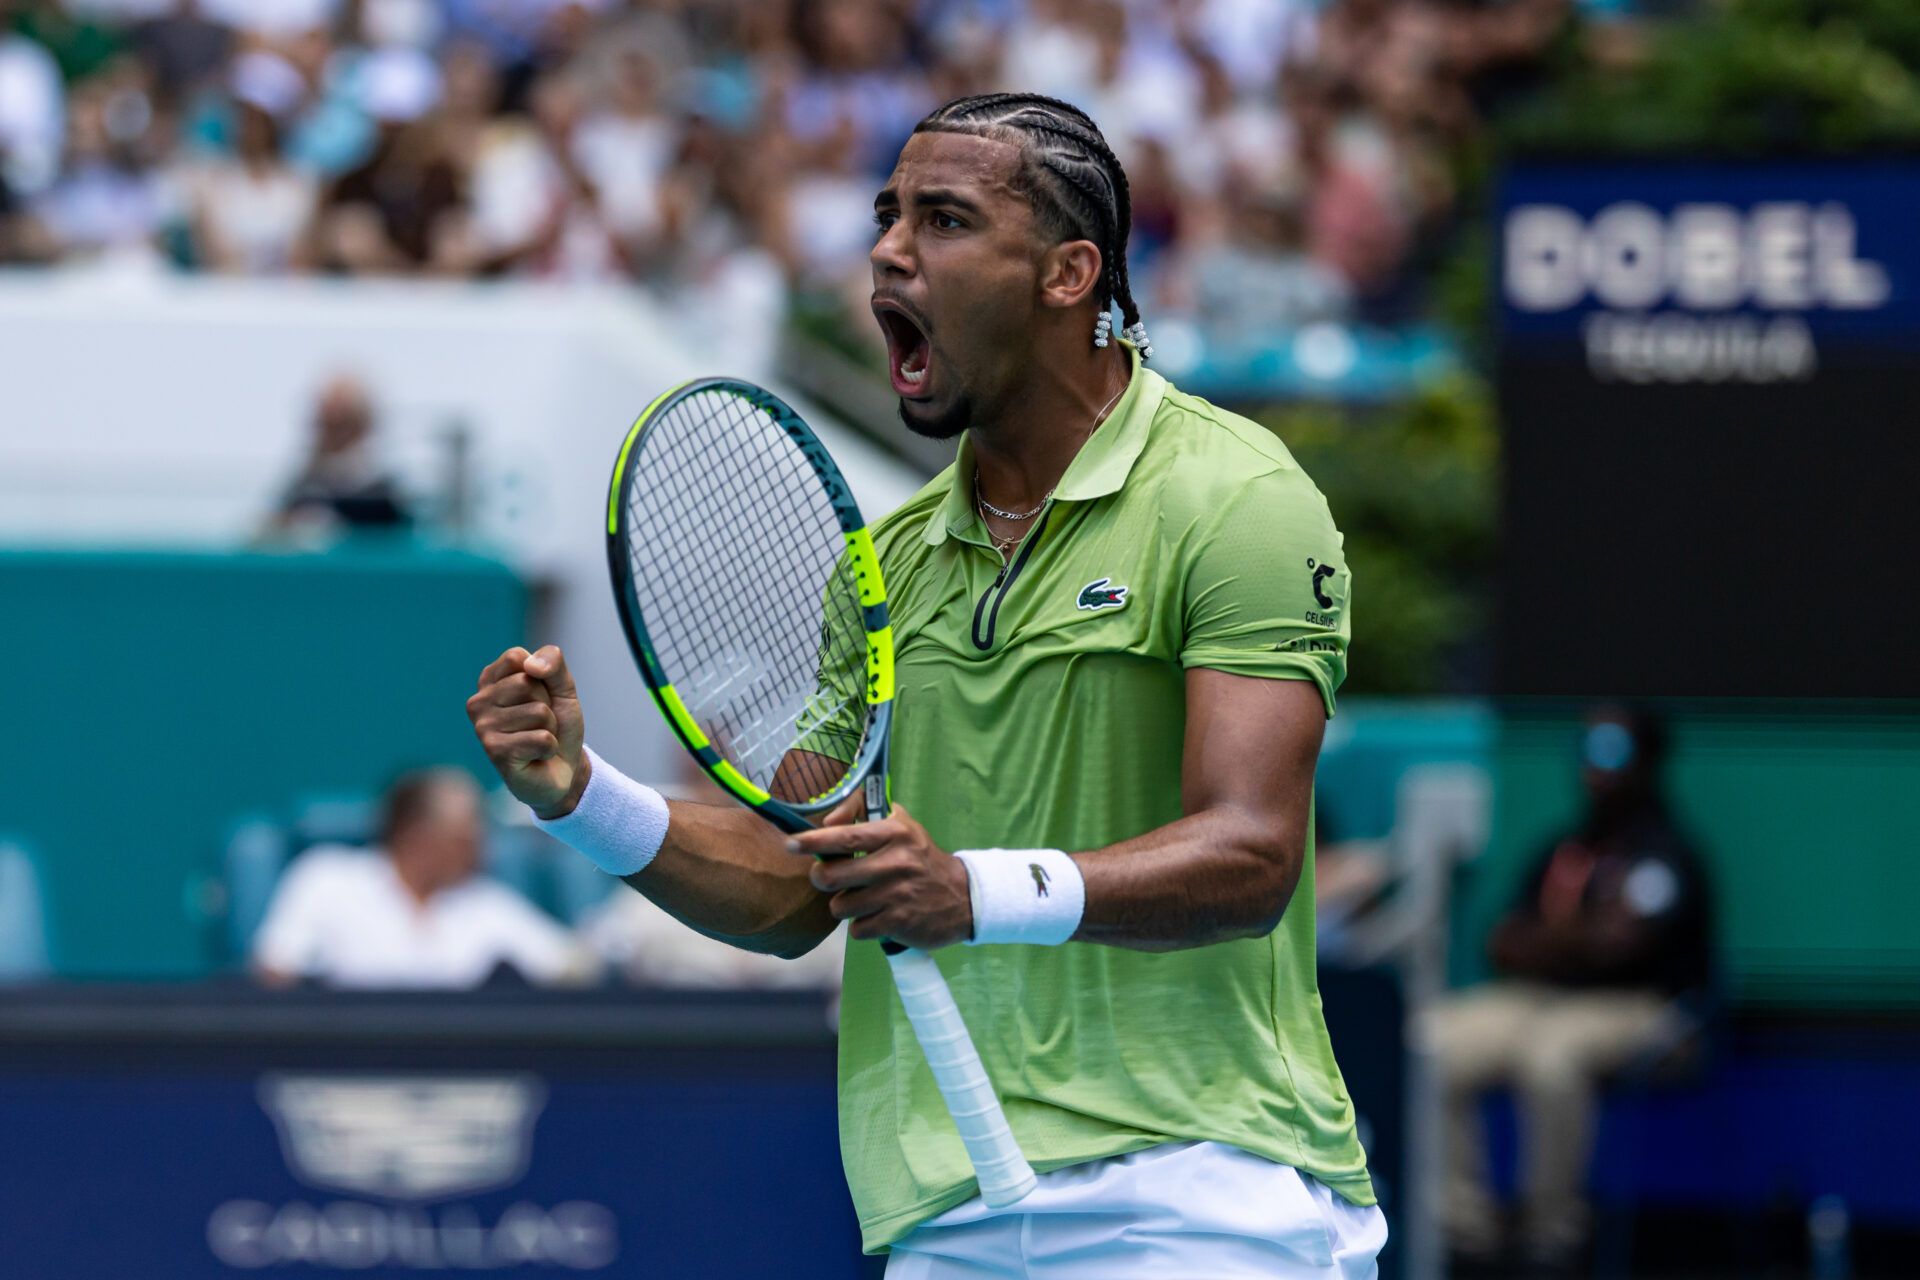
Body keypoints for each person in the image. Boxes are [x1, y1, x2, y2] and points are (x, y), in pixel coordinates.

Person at [467, 93, 1382, 1278]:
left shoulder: (1235, 499)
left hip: (1199, 1196)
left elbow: (1253, 855)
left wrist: (972, 888)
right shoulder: (888, 561)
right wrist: (580, 794)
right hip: (947, 1211)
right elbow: (799, 883)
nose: (890, 249)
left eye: (944, 219)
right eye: (887, 215)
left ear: (1068, 273)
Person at [1423, 706, 1713, 1272]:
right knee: (1430, 1042)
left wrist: (1550, 938)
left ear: (1649, 763)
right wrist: (1577, 935)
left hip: (1643, 1006)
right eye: (1587, 752)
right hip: (1539, 997)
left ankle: (1551, 1241)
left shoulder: (1666, 856)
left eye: (1613, 753)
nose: (1594, 768)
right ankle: (1467, 1236)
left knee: (1551, 1057)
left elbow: (1621, 947)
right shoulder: (1564, 849)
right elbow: (1502, 944)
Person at [252, 767, 590, 989]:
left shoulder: (487, 903)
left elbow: (571, 968)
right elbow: (276, 970)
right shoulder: (326, 879)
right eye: (463, 840)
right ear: (415, 836)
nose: (480, 852)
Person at [267, 372, 413, 537]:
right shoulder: (304, 484)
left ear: (363, 423)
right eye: (326, 420)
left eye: (343, 421)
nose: (332, 428)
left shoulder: (383, 491)